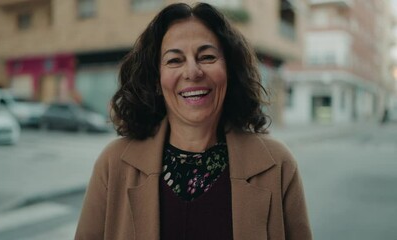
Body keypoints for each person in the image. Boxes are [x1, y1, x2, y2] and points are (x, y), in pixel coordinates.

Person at [75, 2, 312, 240]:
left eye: (207, 57)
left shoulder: (277, 164)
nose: (192, 72)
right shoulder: (113, 163)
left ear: (229, 70)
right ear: (157, 80)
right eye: (175, 60)